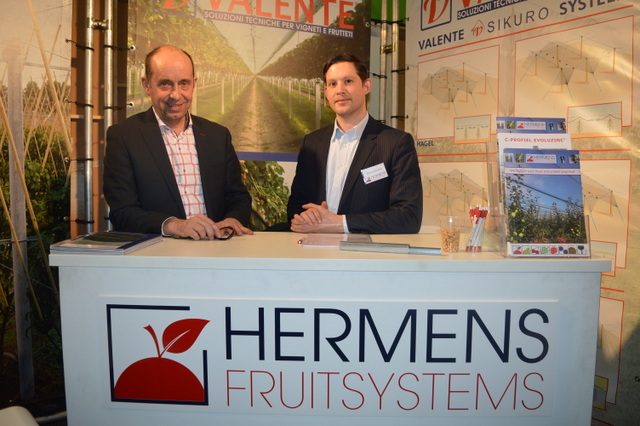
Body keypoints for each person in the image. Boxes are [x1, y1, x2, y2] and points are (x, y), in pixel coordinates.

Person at [103, 45, 252, 240]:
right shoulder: (124, 137)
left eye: (184, 83)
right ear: (146, 85)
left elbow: (237, 196)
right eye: (165, 84)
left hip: (216, 248)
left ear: (194, 83)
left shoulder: (218, 135)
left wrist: (232, 219)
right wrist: (173, 226)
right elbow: (123, 211)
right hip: (158, 252)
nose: (175, 94)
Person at [287, 53, 423, 234]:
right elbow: (296, 205)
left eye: (348, 81)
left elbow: (408, 217)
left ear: (366, 86)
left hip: (365, 251)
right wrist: (302, 218)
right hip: (315, 249)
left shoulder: (395, 143)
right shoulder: (311, 143)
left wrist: (340, 223)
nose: (340, 90)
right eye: (333, 84)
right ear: (326, 92)